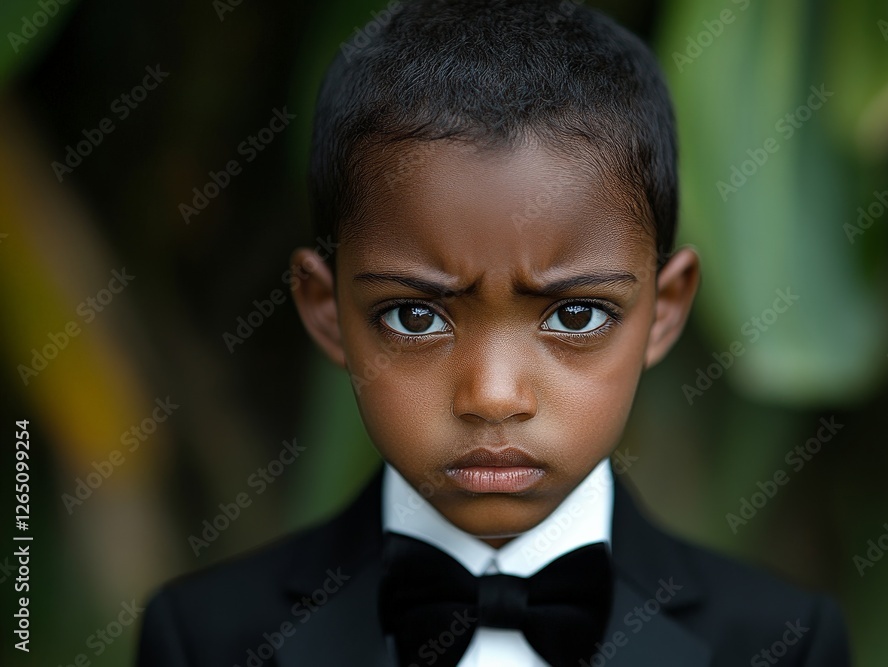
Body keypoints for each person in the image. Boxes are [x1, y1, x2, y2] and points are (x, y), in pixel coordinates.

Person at [137, 1, 851, 664]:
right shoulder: (205, 637)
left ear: (664, 309)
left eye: (576, 315)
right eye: (415, 316)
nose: (493, 395)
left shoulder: (779, 642)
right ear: (326, 309)